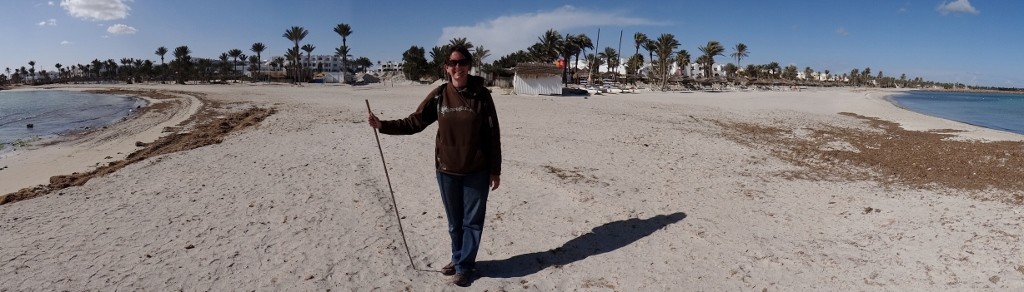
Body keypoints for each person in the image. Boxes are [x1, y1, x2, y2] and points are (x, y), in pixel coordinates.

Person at [367, 45, 501, 287]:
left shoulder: (482, 95)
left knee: (472, 222)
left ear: (469, 65)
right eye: (452, 63)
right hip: (447, 171)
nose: (457, 67)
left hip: (476, 171)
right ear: (446, 68)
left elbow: (493, 134)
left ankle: (464, 267)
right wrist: (382, 125)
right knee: (454, 222)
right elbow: (415, 122)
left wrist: (495, 170)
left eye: (462, 62)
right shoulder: (440, 94)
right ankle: (458, 257)